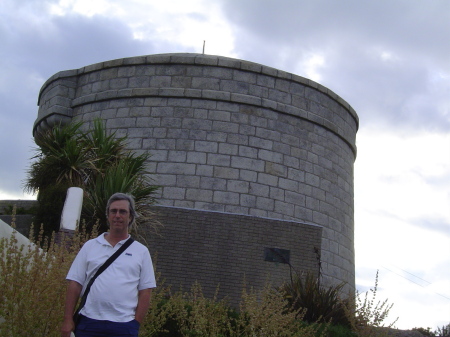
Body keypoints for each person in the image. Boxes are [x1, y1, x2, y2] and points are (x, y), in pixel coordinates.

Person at [61, 193, 156, 337]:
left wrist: (135, 324)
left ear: (130, 217)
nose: (117, 215)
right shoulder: (90, 246)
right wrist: (68, 320)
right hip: (89, 323)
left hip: (123, 326)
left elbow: (145, 291)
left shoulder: (141, 252)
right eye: (114, 211)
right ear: (108, 215)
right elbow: (75, 284)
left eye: (123, 212)